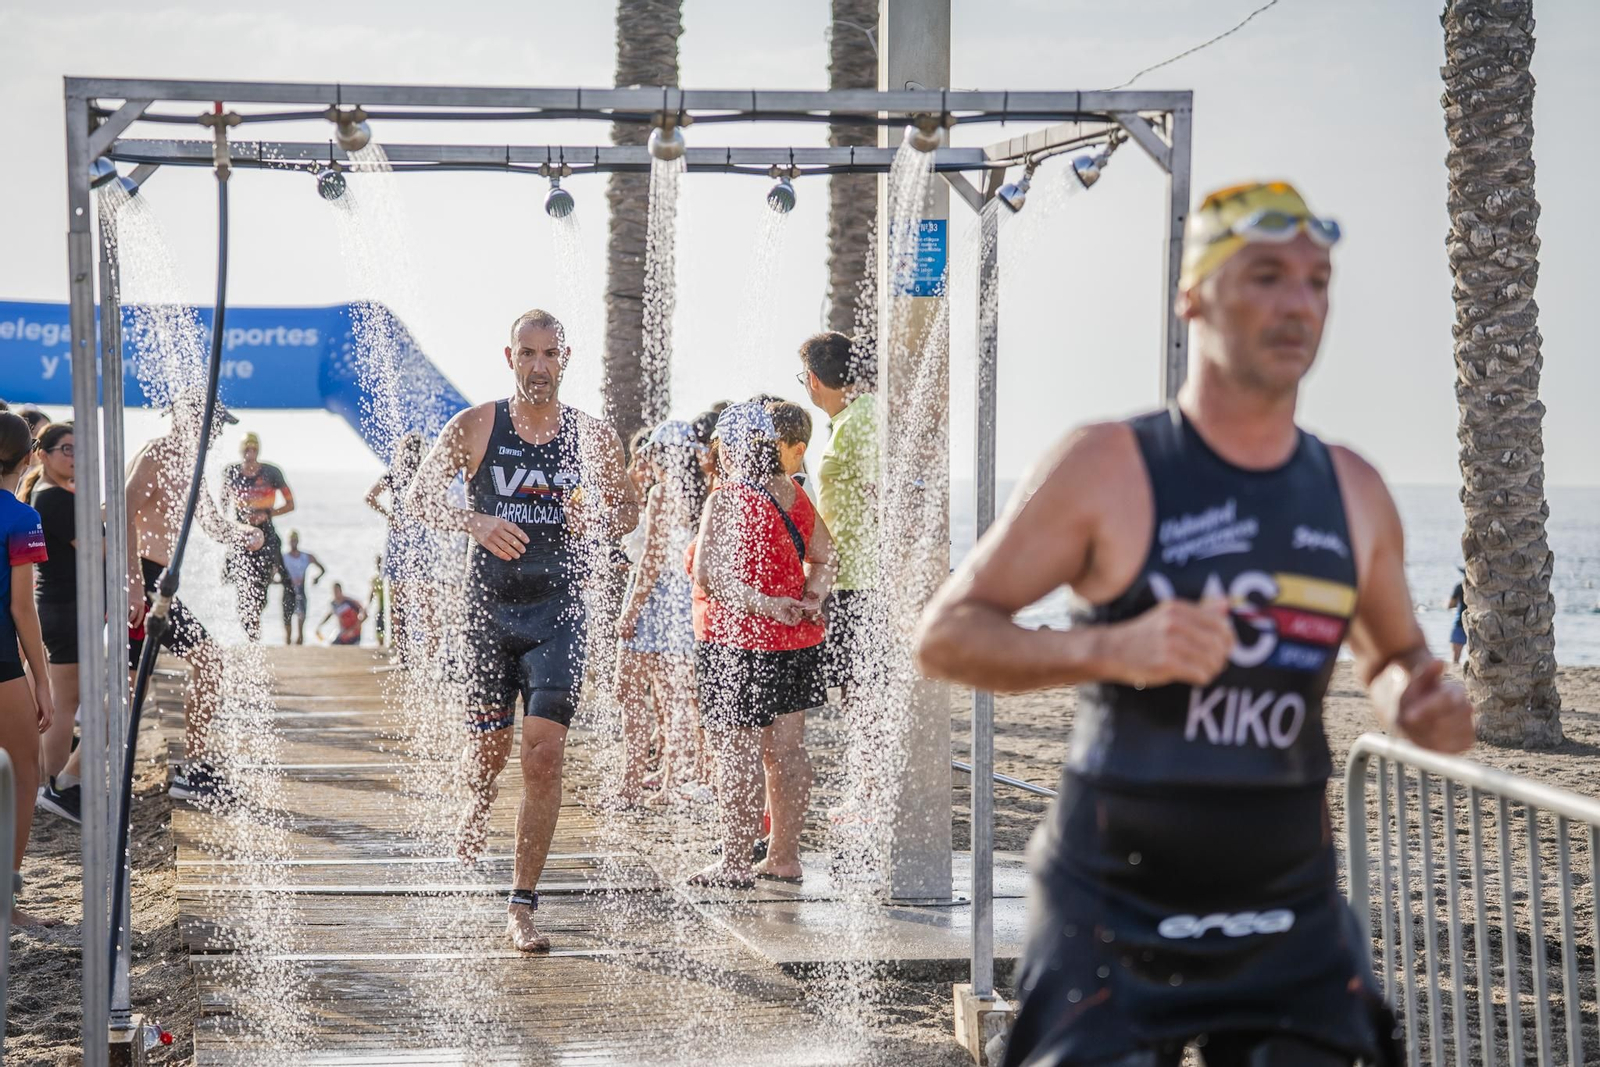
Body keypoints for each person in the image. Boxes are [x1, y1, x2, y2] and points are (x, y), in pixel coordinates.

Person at [916, 181, 1475, 1067]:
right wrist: (1113, 646)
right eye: (1264, 276)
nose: (1298, 303)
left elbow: (1394, 654)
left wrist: (1419, 700)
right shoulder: (1109, 464)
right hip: (1113, 897)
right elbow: (945, 635)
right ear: (1193, 297)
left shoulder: (1354, 488)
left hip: (1286, 895)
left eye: (1316, 281)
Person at [406, 308, 635, 952]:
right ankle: (474, 809)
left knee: (543, 753)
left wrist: (603, 516)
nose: (539, 365)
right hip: (487, 611)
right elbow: (420, 499)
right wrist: (475, 523)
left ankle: (523, 903)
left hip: (559, 612)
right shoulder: (477, 425)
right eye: (527, 354)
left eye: (550, 354)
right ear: (510, 358)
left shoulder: (593, 436)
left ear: (566, 359)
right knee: (488, 751)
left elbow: (627, 507)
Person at [687, 402, 835, 888]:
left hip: (738, 640)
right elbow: (825, 557)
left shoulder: (726, 496)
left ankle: (732, 862)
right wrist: (810, 597)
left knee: (738, 750)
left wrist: (766, 605)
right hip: (796, 640)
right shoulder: (794, 494)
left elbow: (709, 574)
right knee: (787, 751)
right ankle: (784, 856)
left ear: (731, 448)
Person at [128, 398, 264, 802]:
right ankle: (195, 767)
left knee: (133, 685)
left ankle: (68, 778)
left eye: (221, 425)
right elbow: (118, 511)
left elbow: (209, 521)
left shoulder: (190, 462)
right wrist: (134, 583)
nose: (218, 432)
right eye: (214, 423)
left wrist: (244, 534)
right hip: (142, 576)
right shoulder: (157, 453)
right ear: (191, 419)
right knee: (208, 661)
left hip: (158, 580)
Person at [25, 422, 146, 824]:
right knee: (64, 706)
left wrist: (115, 505)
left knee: (63, 702)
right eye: (66, 449)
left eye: (80, 449)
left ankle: (49, 784)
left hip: (65, 608)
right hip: (68, 609)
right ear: (43, 454)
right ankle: (55, 786)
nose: (75, 457)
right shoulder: (55, 498)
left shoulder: (56, 496)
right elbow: (99, 548)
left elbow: (90, 525)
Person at [798, 331, 882, 821]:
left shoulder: (861, 419)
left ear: (813, 379)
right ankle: (867, 793)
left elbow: (882, 490)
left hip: (861, 578)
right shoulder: (850, 419)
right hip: (847, 576)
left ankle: (869, 797)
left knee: (861, 690)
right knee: (855, 690)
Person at [614, 421, 707, 807]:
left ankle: (631, 781)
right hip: (684, 597)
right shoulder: (700, 492)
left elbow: (651, 559)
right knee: (673, 697)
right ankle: (671, 782)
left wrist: (631, 609)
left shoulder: (661, 492)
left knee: (628, 688)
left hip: (655, 597)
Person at [0, 412, 55, 926]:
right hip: (1, 666)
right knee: (23, 776)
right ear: (27, 458)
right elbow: (23, 608)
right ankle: (7, 903)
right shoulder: (22, 519)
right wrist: (42, 681)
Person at [222, 432, 295, 642]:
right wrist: (227, 530)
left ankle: (273, 629)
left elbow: (290, 504)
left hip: (267, 534)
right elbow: (223, 506)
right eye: (247, 449)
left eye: (254, 449)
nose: (250, 454)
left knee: (269, 584)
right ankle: (248, 631)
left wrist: (268, 513)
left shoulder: (272, 472)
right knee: (242, 583)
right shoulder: (231, 472)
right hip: (241, 535)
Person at [366, 433, 432, 661]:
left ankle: (403, 652)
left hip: (400, 538)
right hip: (419, 539)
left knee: (399, 598)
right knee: (422, 598)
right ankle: (421, 652)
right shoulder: (424, 475)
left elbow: (370, 497)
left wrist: (391, 515)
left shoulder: (396, 475)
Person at [279, 530, 325, 646]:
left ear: (298, 541)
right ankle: (288, 646)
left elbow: (322, 569)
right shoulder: (283, 558)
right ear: (289, 542)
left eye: (295, 540)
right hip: (288, 592)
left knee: (301, 622)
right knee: (287, 624)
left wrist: (316, 578)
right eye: (291, 540)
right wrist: (276, 581)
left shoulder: (306, 557)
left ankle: (299, 647)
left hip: (300, 591)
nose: (293, 543)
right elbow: (274, 572)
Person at [1447, 569, 1467, 665]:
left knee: (1456, 658)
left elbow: (1450, 605)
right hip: (1476, 623)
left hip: (1460, 622)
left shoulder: (1460, 587)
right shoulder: (1479, 587)